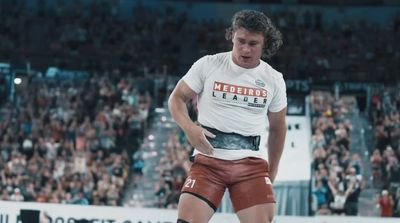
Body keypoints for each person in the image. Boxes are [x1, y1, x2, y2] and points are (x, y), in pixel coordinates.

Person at [168, 9, 286, 223]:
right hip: (209, 161)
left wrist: (272, 172)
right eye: (240, 41)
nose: (245, 49)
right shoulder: (208, 65)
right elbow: (176, 99)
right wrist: (189, 127)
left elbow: (278, 128)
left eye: (253, 43)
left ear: (265, 43)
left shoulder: (274, 79)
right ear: (232, 35)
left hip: (252, 165)